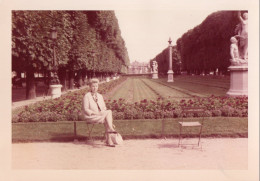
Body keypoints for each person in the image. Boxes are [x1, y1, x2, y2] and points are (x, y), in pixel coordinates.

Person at [81, 78, 117, 147]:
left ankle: (109, 137)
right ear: (90, 87)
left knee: (108, 112)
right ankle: (110, 134)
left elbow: (104, 108)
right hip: (91, 116)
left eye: (96, 86)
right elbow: (86, 109)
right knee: (108, 114)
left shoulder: (100, 96)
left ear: (98, 87)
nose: (95, 88)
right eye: (93, 86)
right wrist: (96, 113)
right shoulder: (87, 96)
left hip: (100, 116)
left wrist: (101, 113)